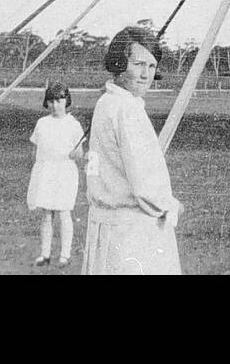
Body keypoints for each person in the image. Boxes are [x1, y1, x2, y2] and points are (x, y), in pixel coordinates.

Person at [82, 26, 182, 275]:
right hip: (133, 234)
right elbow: (144, 184)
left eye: (151, 66)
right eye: (138, 64)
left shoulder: (107, 102)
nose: (145, 74)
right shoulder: (126, 109)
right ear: (118, 63)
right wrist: (169, 205)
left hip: (110, 228)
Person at [28, 82, 84, 268]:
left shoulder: (73, 124)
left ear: (66, 101)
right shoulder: (42, 123)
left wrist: (74, 154)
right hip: (46, 171)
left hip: (65, 172)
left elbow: (79, 153)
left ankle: (65, 255)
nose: (55, 105)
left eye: (59, 100)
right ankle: (45, 254)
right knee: (46, 214)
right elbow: (38, 148)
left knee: (63, 213)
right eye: (50, 101)